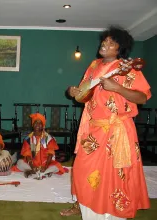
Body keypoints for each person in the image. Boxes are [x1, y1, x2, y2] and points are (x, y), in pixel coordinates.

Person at [61, 26, 151, 219]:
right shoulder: (94, 65)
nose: (105, 43)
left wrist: (118, 88)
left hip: (117, 129)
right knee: (81, 169)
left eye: (112, 42)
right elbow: (85, 94)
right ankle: (84, 206)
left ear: (120, 49)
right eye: (105, 40)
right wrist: (73, 91)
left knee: (113, 174)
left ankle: (112, 212)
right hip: (94, 127)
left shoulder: (127, 68)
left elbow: (142, 98)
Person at [12, 113, 66, 178]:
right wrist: (32, 166)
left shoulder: (48, 138)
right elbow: (28, 155)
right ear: (32, 125)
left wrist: (45, 166)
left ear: (43, 125)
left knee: (57, 166)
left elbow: (50, 154)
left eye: (40, 123)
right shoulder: (29, 139)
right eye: (35, 122)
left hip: (46, 163)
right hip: (32, 164)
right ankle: (37, 171)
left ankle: (41, 172)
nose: (37, 124)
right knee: (19, 163)